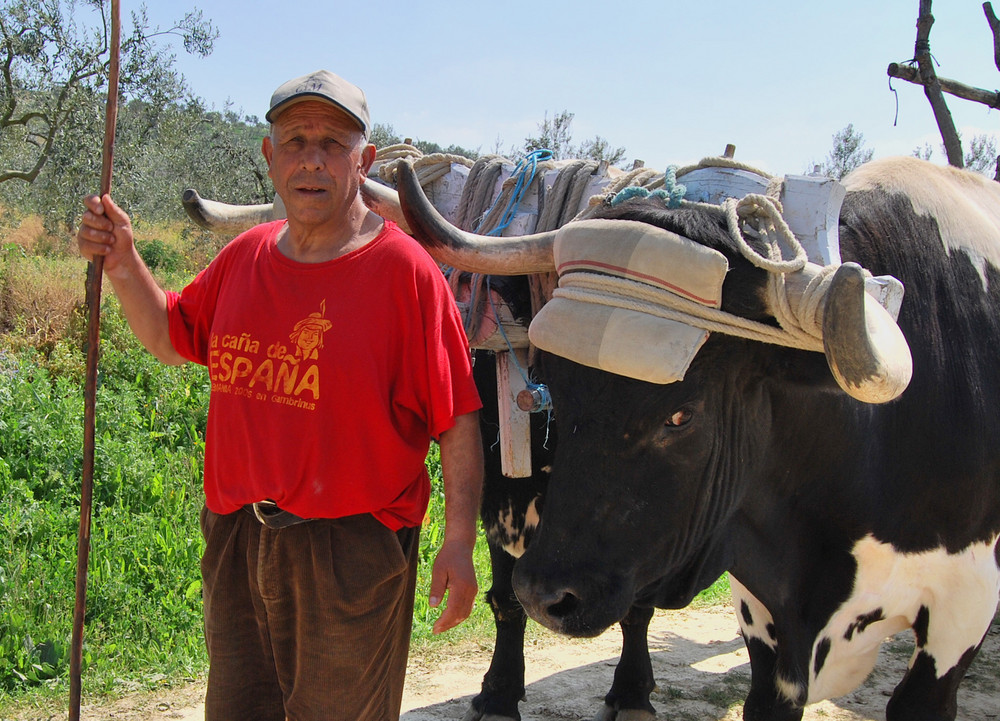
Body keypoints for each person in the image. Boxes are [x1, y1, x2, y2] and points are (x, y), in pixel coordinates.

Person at [77, 69, 484, 721]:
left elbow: (458, 418)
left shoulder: (404, 273)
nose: (312, 158)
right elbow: (169, 332)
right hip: (239, 541)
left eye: (333, 141)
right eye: (295, 140)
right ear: (270, 157)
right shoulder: (245, 256)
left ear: (364, 160)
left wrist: (459, 540)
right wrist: (124, 260)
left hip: (349, 550)